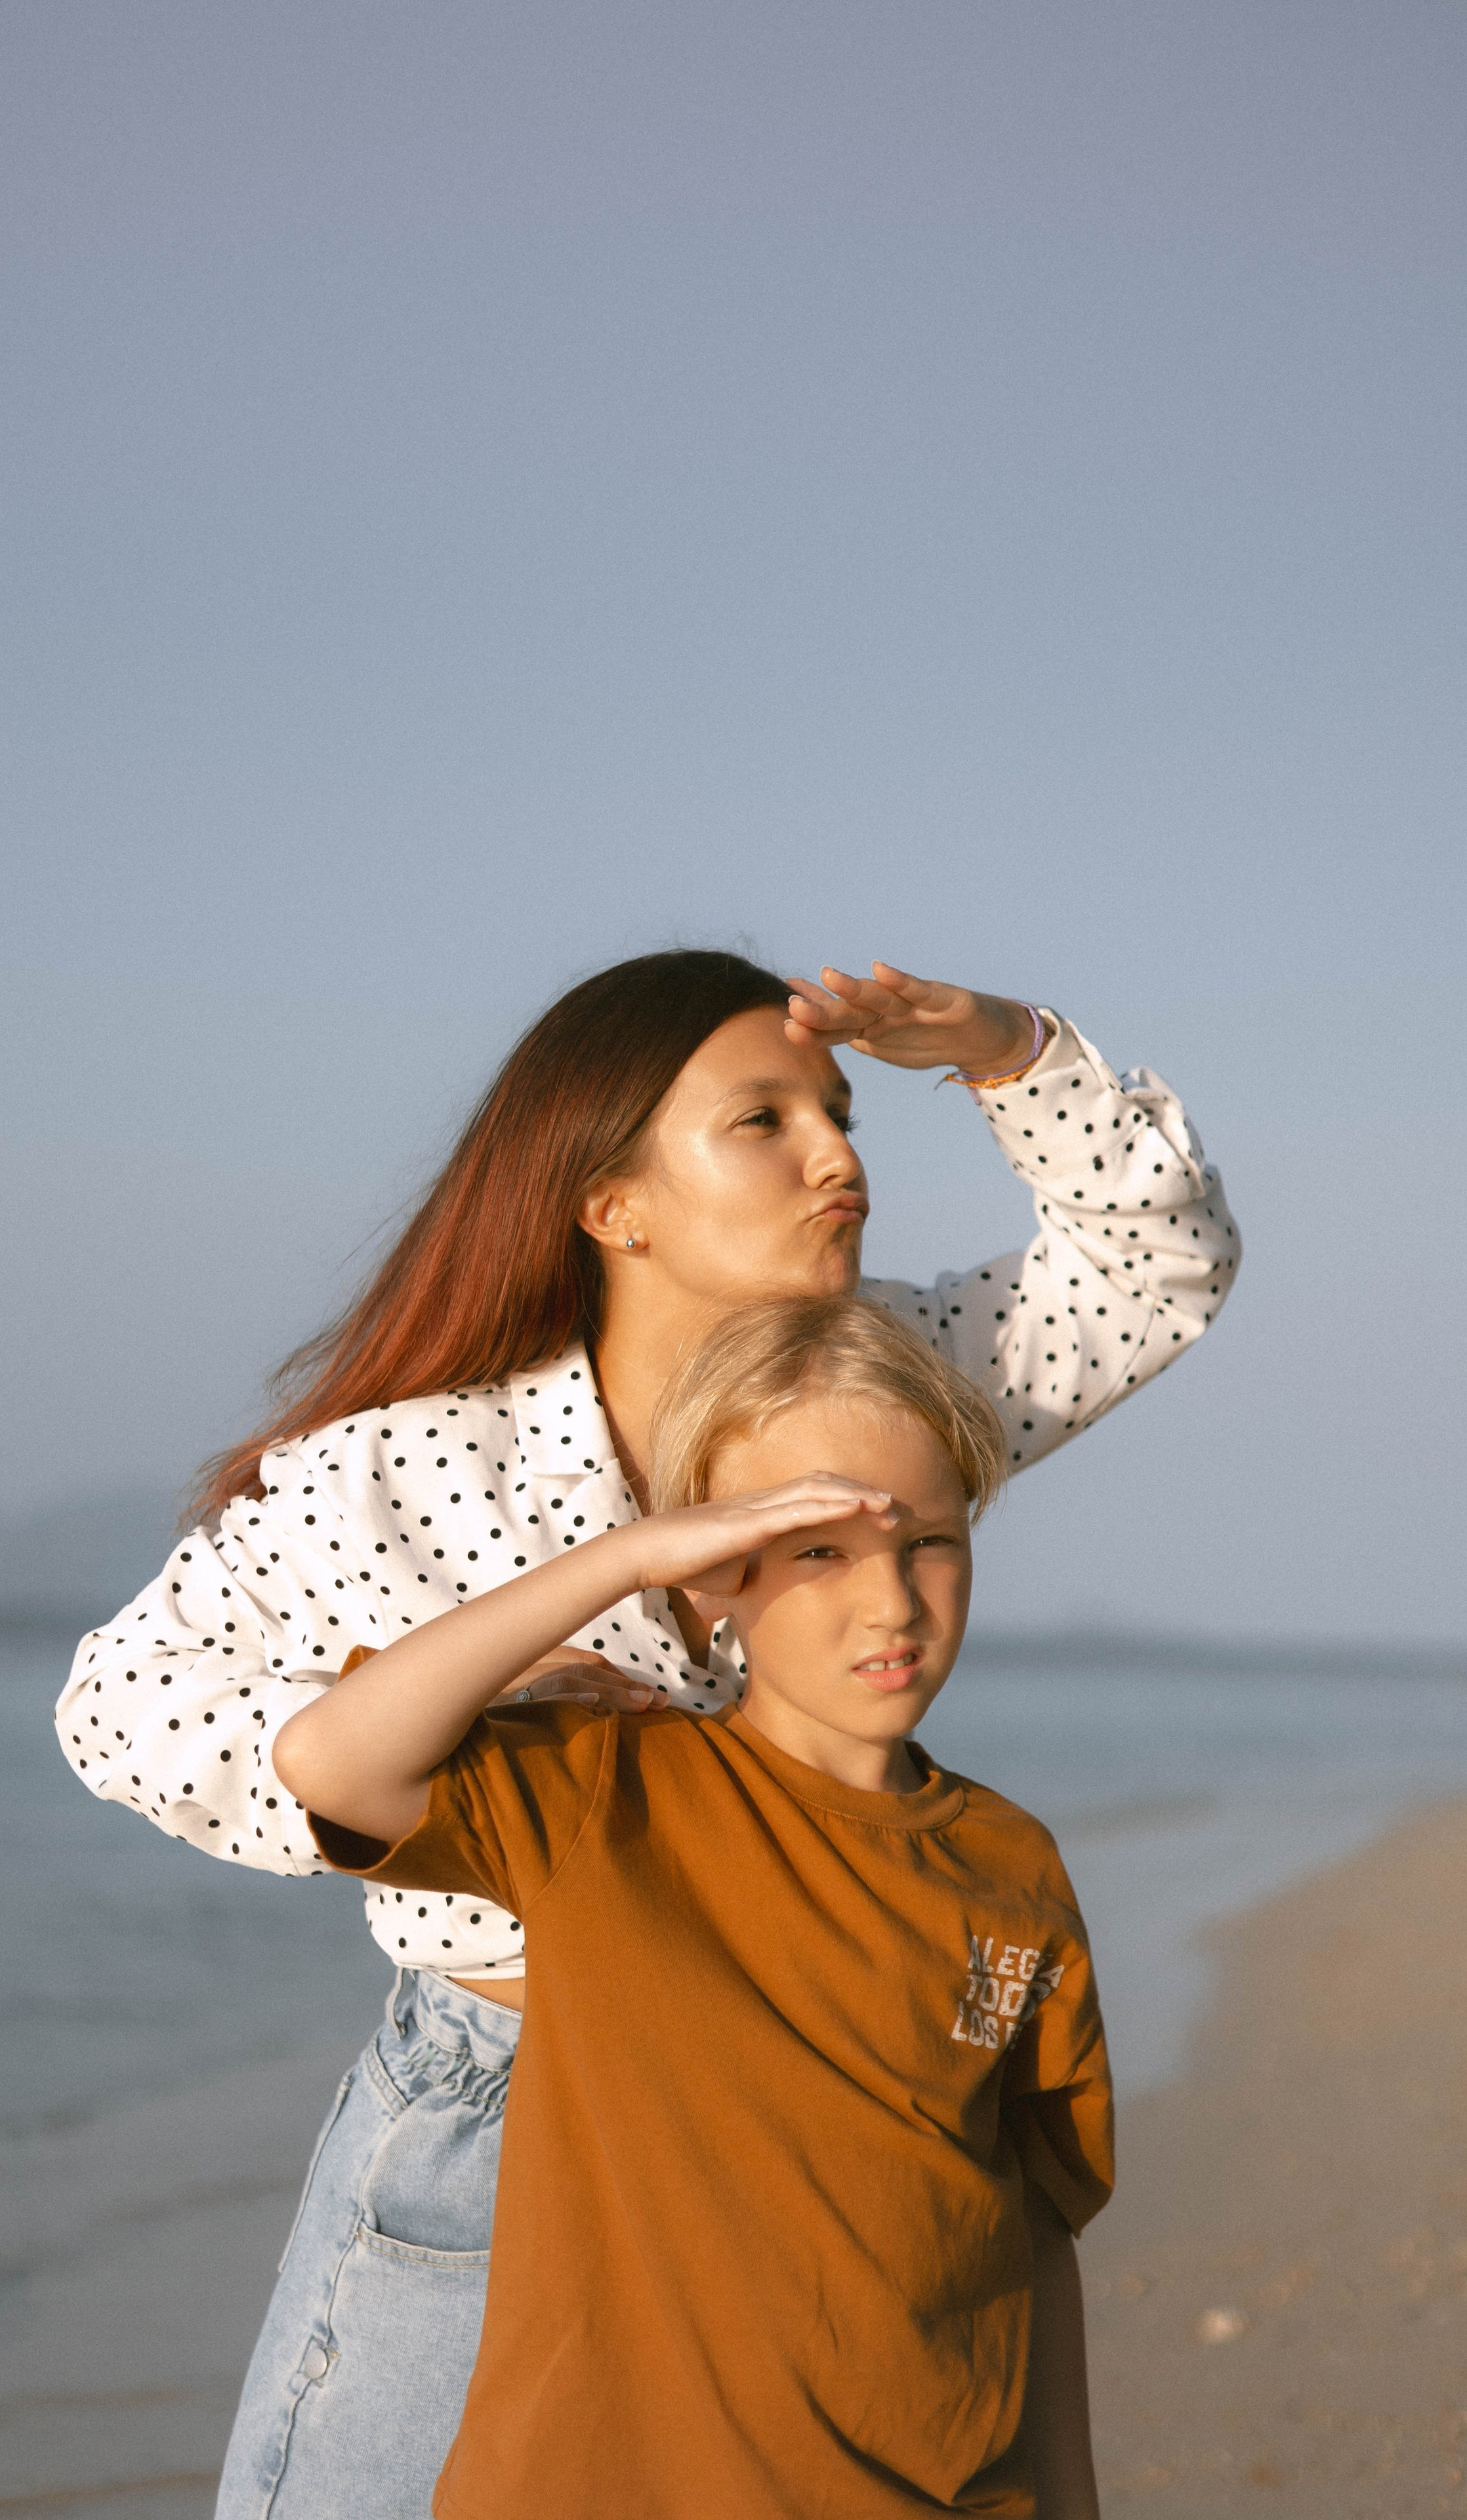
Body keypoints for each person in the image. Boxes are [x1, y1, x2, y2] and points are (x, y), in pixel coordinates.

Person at [54, 948, 1236, 2516]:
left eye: (837, 1112)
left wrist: (1003, 1050)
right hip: (505, 2098)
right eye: (764, 1122)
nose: (840, 1156)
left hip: (794, 2095)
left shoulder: (893, 1379)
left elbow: (1146, 1271)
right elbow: (122, 1710)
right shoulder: (412, 1469)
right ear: (614, 1205)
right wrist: (469, 1731)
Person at [276, 1295, 1113, 2520]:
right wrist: (624, 1562)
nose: (893, 1606)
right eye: (818, 1547)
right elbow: (332, 1764)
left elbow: (1032, 2242)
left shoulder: (1010, 1865)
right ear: (717, 1567)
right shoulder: (604, 1796)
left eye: (930, 1541)